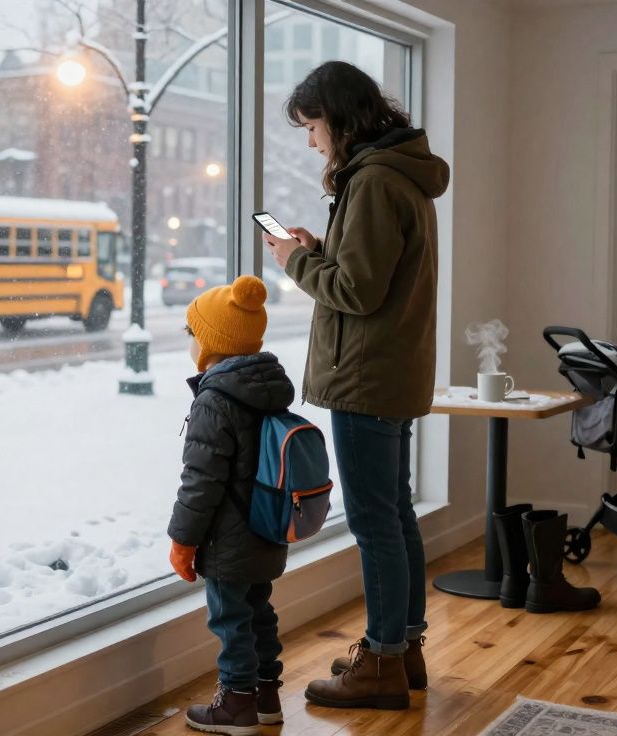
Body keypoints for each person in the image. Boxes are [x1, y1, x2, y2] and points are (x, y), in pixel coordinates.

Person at [263, 60, 450, 711]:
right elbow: (369, 272)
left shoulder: (372, 182)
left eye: (312, 125)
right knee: (395, 515)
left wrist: (295, 259)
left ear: (338, 119)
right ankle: (402, 649)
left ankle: (380, 663)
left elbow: (354, 290)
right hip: (390, 372)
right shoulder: (400, 176)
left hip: (365, 377)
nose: (311, 140)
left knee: (376, 522)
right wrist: (322, 247)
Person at [167, 275, 296, 735]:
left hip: (227, 539)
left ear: (210, 343)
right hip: (266, 526)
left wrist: (182, 539)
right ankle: (265, 697)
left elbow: (201, 481)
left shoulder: (215, 400)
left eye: (192, 334)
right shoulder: (266, 390)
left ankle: (237, 703)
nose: (190, 344)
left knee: (229, 618)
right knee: (259, 610)